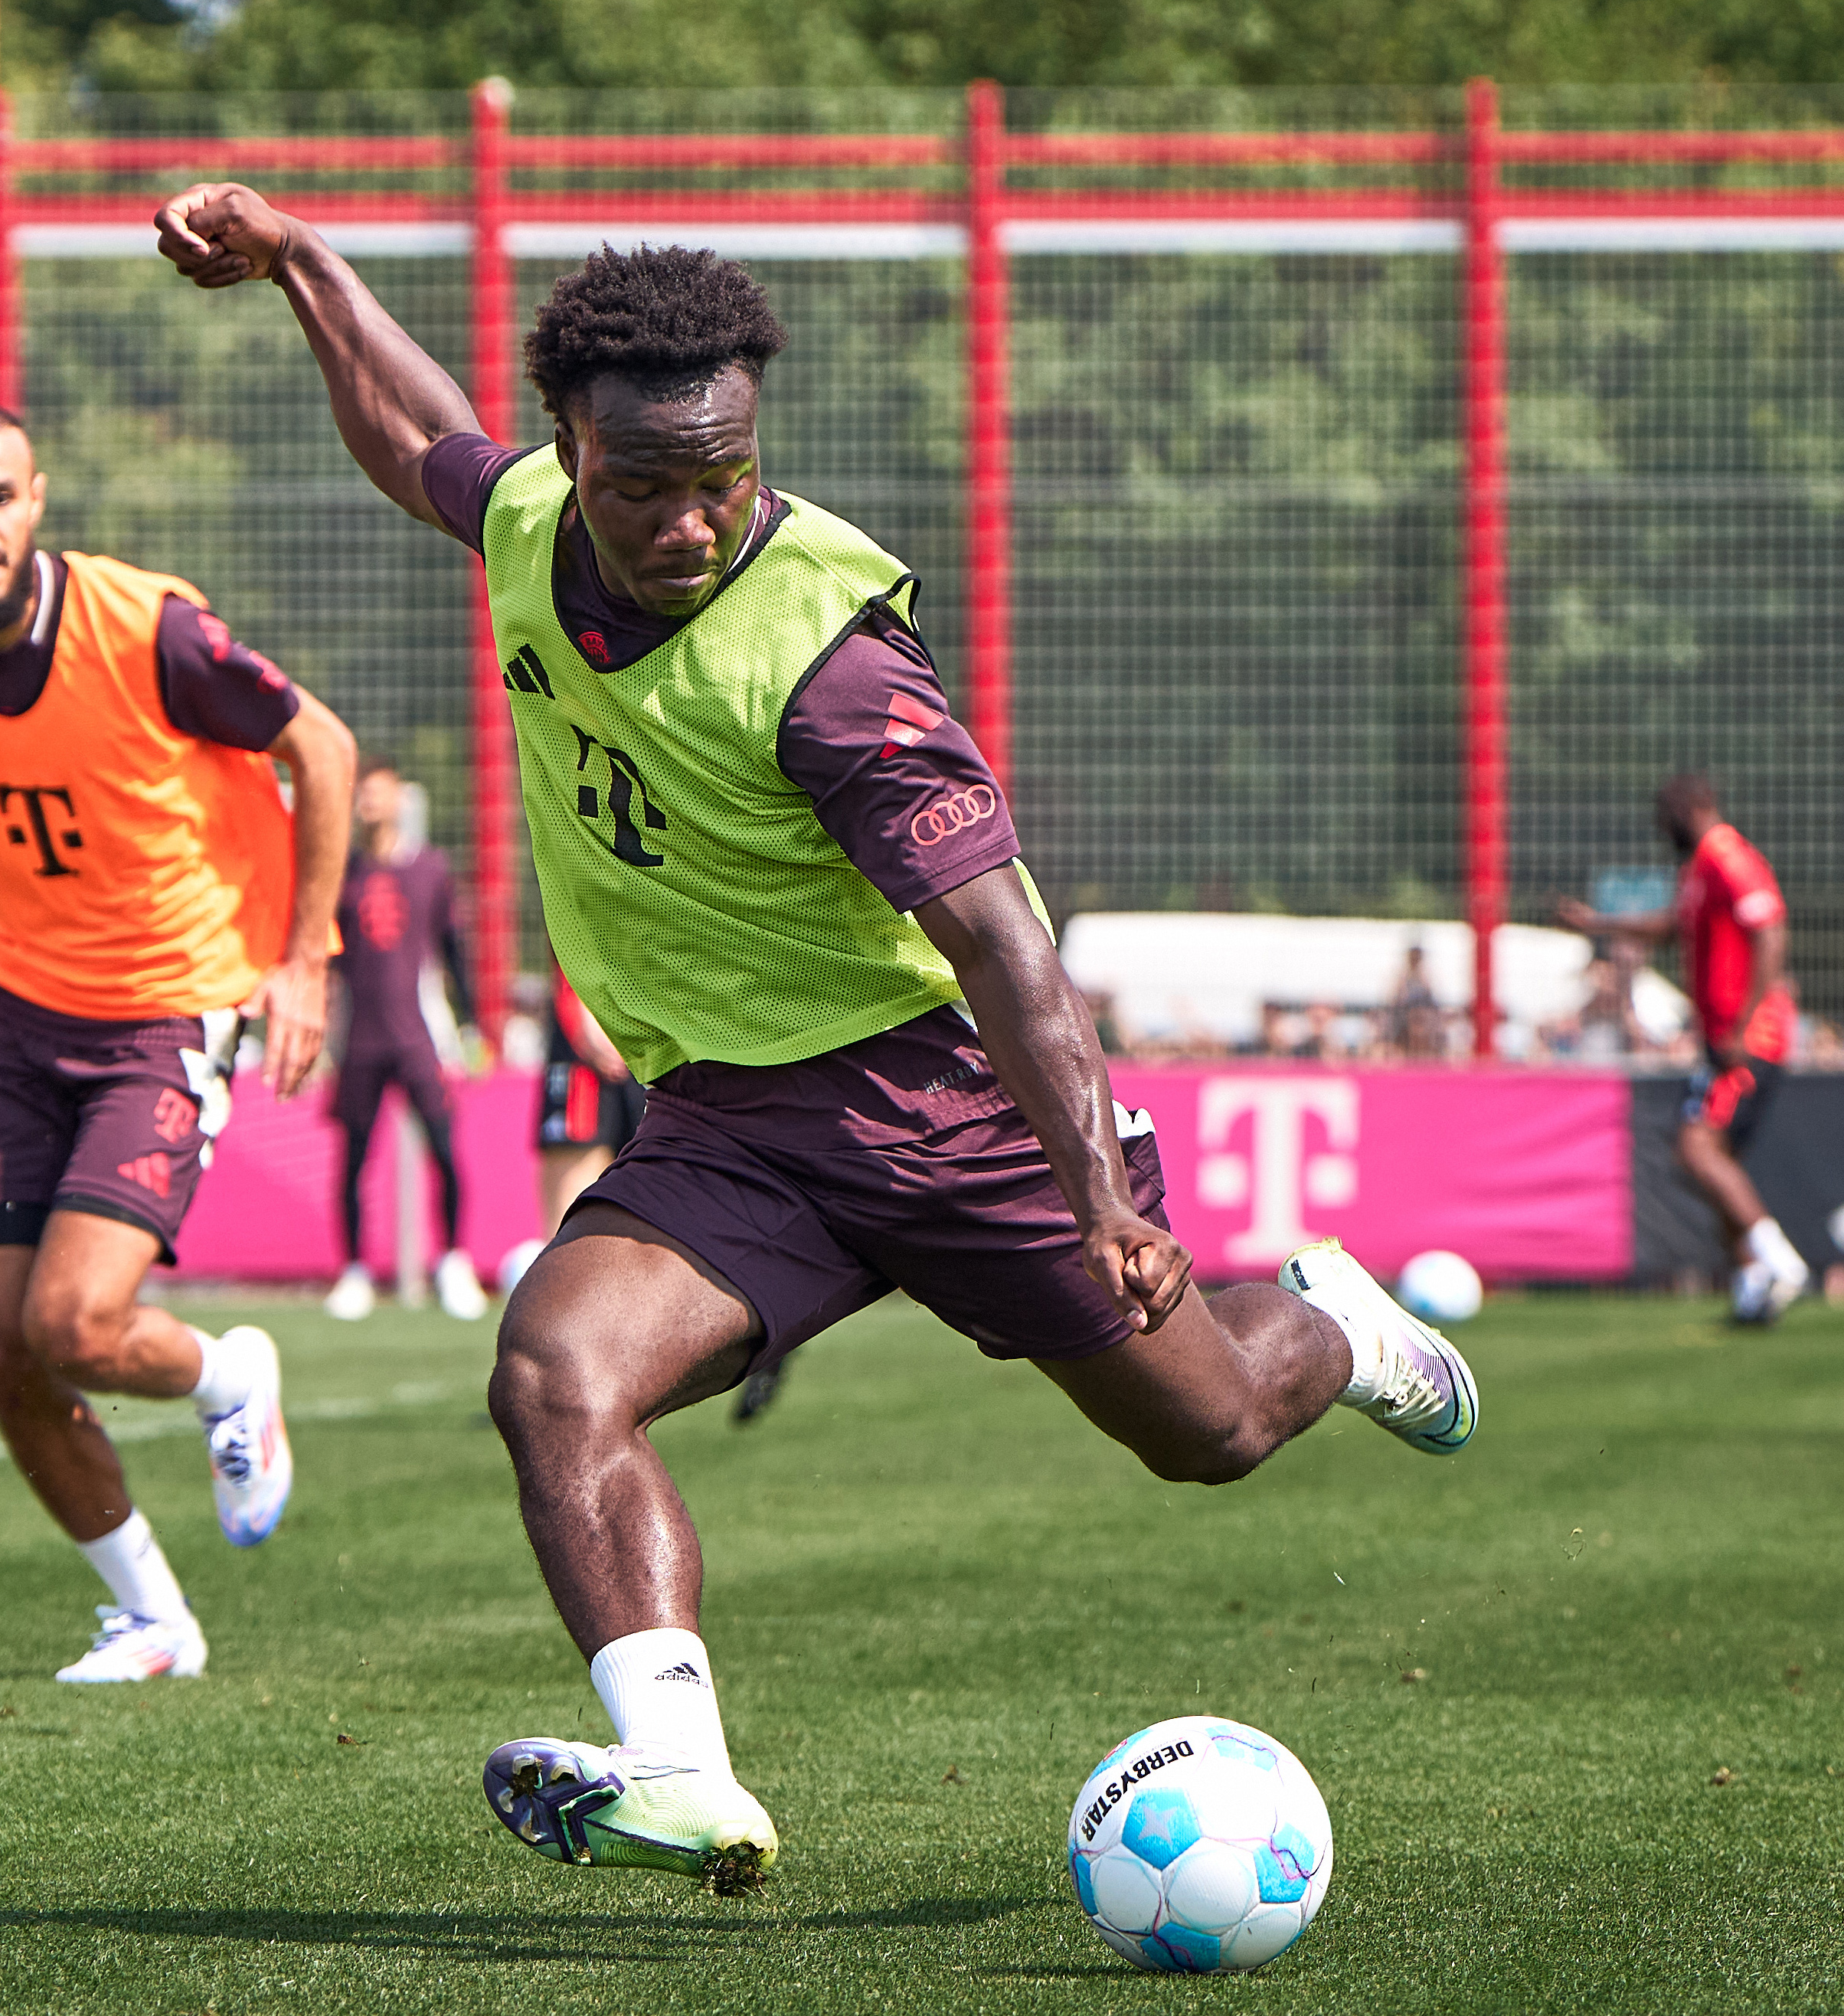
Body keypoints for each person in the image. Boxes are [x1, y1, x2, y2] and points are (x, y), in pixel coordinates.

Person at [162, 183, 1479, 1895]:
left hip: (952, 1110)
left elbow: (1008, 948)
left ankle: (1341, 1328)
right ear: (570, 447)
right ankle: (684, 1775)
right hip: (732, 1121)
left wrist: (1102, 1198)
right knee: (555, 1372)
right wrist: (305, 266)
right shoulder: (523, 527)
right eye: (648, 484)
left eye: (727, 479)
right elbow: (419, 426)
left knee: (1208, 1429)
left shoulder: (836, 665)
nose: (697, 521)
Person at [0, 397, 354, 1685]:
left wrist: (303, 958)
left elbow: (318, 748)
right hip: (19, 1009)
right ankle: (151, 1615)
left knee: (75, 1320)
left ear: (36, 497)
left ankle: (226, 1372)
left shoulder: (141, 626)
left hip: (170, 1001)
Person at [1557, 773, 1811, 1322]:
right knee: (1715, 1159)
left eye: (1664, 817)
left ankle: (1777, 1262)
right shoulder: (1698, 870)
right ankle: (1753, 1288)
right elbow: (1671, 926)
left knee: (1696, 1149)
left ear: (1686, 810)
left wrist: (1743, 1026)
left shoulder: (1728, 856)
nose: (1660, 829)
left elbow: (1769, 930)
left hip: (1748, 1038)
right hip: (1728, 1037)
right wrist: (1598, 922)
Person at [325, 763, 486, 1322]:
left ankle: (454, 1263)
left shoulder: (431, 870)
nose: (370, 804)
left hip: (419, 1038)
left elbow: (453, 952)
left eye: (379, 794)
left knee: (444, 1149)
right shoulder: (342, 874)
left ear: (399, 801)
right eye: (363, 795)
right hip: (360, 1039)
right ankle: (353, 1272)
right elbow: (328, 962)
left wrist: (470, 1026)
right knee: (353, 1160)